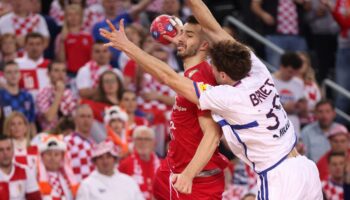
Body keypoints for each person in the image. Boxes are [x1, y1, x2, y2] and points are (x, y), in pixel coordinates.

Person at [99, 0, 323, 198]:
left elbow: (168, 77)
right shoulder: (258, 69)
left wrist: (126, 45)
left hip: (278, 176)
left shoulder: (228, 97)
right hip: (304, 166)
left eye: (213, 67)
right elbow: (213, 27)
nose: (210, 68)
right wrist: (186, 35)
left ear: (223, 76)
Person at [76, 140, 144, 200]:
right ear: (95, 161)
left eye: (108, 157)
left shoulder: (129, 182)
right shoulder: (87, 185)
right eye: (100, 158)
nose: (105, 161)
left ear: (114, 159)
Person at [119, 126, 160, 200]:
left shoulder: (162, 165)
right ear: (133, 142)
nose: (143, 142)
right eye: (139, 139)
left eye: (147, 139)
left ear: (154, 143)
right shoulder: (124, 165)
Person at [36, 61, 77, 131]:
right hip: (51, 134)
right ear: (48, 74)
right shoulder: (42, 93)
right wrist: (59, 94)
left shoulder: (70, 93)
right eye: (56, 70)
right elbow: (49, 117)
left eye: (63, 71)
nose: (60, 74)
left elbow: (74, 117)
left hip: (69, 133)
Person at [0, 134, 42, 200]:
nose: (5, 153)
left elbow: (35, 198)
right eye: (1, 150)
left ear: (13, 150)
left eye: (8, 149)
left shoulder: (25, 171)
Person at [37, 134, 78, 200]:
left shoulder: (68, 178)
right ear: (42, 156)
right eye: (48, 154)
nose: (52, 158)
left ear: (62, 157)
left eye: (56, 154)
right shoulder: (36, 177)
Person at [272, 52, 305, 133]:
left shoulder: (298, 83)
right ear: (282, 67)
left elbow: (303, 109)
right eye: (290, 71)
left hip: (294, 125)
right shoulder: (270, 81)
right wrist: (283, 107)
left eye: (295, 72)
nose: (292, 75)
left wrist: (301, 106)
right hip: (275, 124)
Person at [64, 104, 95, 182]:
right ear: (75, 119)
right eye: (82, 116)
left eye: (89, 116)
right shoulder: (67, 142)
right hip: (77, 187)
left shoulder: (96, 144)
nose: (86, 120)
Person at [0, 61, 35, 130]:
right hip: (5, 137)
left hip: (25, 138)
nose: (13, 75)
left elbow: (31, 122)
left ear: (20, 75)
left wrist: (34, 140)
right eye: (9, 72)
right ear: (4, 75)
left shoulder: (28, 96)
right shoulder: (1, 95)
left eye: (16, 72)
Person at [15, 32, 51, 99]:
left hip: (47, 105)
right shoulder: (16, 64)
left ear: (43, 46)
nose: (35, 47)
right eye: (31, 44)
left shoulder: (50, 65)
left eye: (38, 44)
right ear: (25, 46)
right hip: (23, 104)